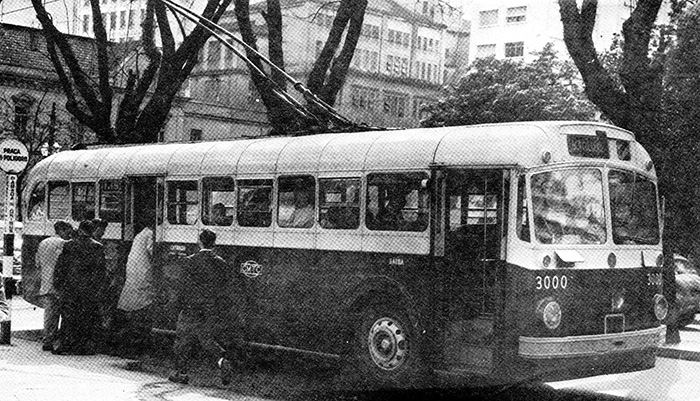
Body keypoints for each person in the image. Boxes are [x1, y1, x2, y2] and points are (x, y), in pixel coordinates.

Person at [169, 229, 234, 386]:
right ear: (214, 243)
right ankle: (221, 360)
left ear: (199, 242)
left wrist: (177, 305)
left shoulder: (189, 261)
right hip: (210, 309)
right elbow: (225, 288)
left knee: (182, 341)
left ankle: (181, 373)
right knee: (207, 339)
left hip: (191, 308)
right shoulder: (221, 263)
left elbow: (182, 286)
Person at [53, 220, 106, 355]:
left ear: (80, 229)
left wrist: (58, 283)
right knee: (86, 317)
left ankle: (65, 345)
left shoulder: (69, 245)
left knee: (68, 317)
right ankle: (83, 347)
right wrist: (98, 288)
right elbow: (100, 271)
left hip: (70, 286)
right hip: (88, 288)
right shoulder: (97, 247)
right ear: (92, 231)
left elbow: (61, 266)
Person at [113, 218, 155, 356]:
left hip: (135, 274)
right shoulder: (149, 234)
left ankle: (125, 345)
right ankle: (134, 347)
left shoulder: (139, 235)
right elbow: (152, 252)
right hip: (142, 275)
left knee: (131, 308)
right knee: (140, 310)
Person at [36, 221, 73, 351]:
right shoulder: (64, 244)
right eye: (68, 231)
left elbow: (38, 264)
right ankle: (62, 342)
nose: (70, 234)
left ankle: (47, 340)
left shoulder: (43, 243)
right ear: (62, 230)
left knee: (49, 314)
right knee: (65, 314)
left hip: (46, 284)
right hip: (61, 284)